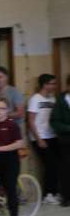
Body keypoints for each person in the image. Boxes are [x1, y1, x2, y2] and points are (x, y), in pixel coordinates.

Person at [28, 74, 61, 205]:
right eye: (52, 83)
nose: (54, 86)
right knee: (50, 164)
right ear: (45, 85)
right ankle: (48, 195)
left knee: (56, 164)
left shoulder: (53, 98)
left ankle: (54, 192)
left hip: (52, 136)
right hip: (40, 137)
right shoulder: (35, 99)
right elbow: (31, 121)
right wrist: (39, 139)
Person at [50, 76, 70, 207]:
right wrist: (68, 128)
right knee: (66, 169)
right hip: (66, 140)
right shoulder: (61, 100)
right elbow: (54, 122)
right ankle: (66, 196)